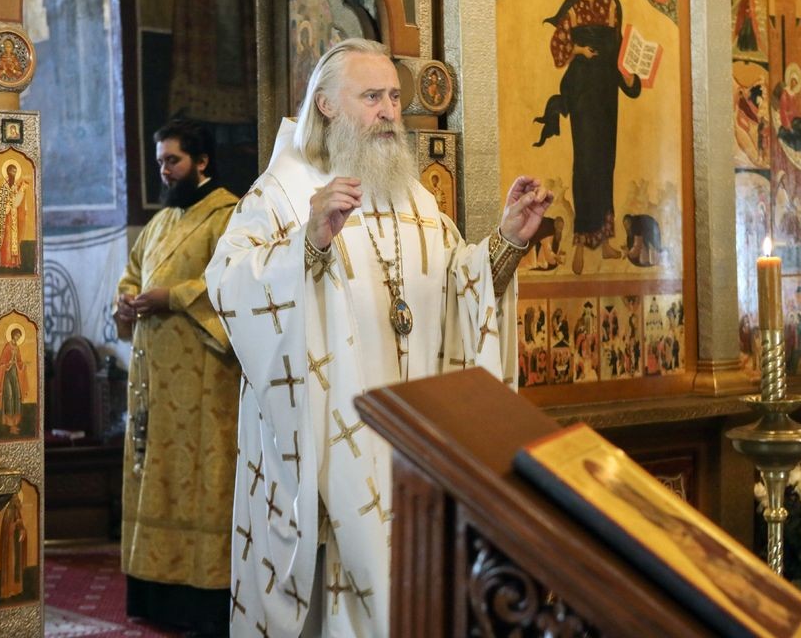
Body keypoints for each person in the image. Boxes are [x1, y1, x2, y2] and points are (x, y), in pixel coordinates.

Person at [206, 38, 552, 637]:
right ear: (326, 106)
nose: (391, 111)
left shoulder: (413, 196)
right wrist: (309, 241)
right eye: (372, 97)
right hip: (332, 442)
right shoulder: (283, 192)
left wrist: (507, 242)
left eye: (394, 96)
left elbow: (457, 290)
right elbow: (230, 283)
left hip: (413, 445)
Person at [114, 119, 241, 636]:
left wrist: (173, 296)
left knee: (200, 482)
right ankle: (155, 595)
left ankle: (201, 600)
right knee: (155, 477)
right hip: (153, 381)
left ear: (201, 162)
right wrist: (126, 302)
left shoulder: (230, 215)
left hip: (205, 382)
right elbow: (132, 273)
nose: (164, 171)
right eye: (160, 162)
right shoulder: (161, 221)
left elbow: (234, 285)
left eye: (173, 160)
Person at [536, 0, 641, 272]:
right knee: (584, 163)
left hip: (607, 93)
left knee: (605, 163)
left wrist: (629, 79)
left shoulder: (611, 3)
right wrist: (578, 50)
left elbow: (619, 49)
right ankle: (580, 243)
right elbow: (557, 46)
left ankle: (606, 241)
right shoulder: (573, 5)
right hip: (582, 92)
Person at [0, 160, 29, 270]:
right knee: (7, 238)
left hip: (14, 217)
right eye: (12, 171)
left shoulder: (15, 186)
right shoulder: (4, 187)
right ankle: (6, 262)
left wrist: (22, 190)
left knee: (14, 238)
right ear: (8, 172)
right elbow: (1, 204)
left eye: (15, 172)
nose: (14, 174)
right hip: (7, 217)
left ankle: (14, 262)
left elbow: (17, 202)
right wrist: (8, 206)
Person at [0, 325, 26, 435]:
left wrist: (22, 365)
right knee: (9, 396)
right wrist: (8, 363)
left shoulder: (17, 347)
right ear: (13, 335)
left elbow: (19, 361)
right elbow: (2, 363)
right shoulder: (7, 347)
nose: (18, 338)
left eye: (19, 336)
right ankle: (10, 425)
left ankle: (15, 424)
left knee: (17, 395)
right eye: (17, 335)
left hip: (14, 373)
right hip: (7, 375)